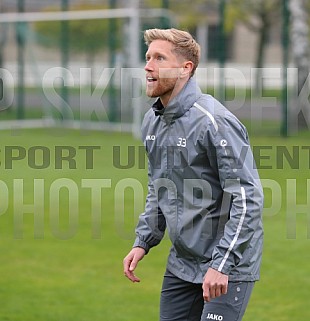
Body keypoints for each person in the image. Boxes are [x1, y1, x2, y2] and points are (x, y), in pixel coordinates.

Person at [123, 28, 264, 321]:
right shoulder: (152, 121)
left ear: (186, 68)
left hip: (227, 265)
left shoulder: (215, 122)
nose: (148, 65)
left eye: (159, 58)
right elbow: (158, 187)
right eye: (148, 57)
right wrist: (143, 240)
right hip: (182, 264)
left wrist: (222, 264)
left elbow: (247, 199)